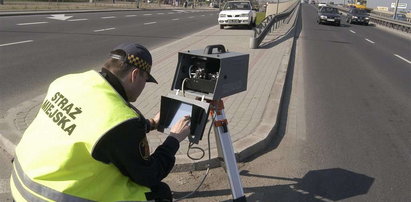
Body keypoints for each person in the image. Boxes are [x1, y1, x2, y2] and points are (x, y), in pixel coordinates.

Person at [10, 43, 191, 202]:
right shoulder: (121, 121)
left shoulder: (68, 81)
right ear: (135, 75)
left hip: (22, 182)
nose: (144, 86)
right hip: (50, 197)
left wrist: (151, 123)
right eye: (146, 80)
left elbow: (94, 124)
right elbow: (150, 174)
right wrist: (174, 139)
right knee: (159, 193)